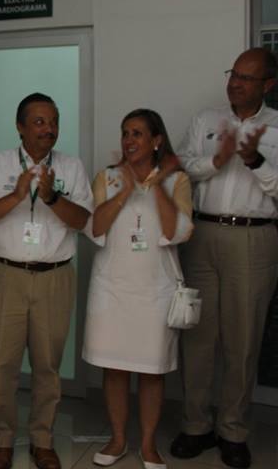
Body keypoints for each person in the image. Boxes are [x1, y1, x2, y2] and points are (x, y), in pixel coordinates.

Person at [0, 93, 93, 469]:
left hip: (54, 277)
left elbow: (83, 221)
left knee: (47, 366)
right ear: (20, 126)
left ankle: (42, 439)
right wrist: (17, 194)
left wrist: (52, 198)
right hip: (5, 275)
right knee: (1, 364)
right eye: (39, 122)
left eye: (54, 122)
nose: (49, 129)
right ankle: (1, 440)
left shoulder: (71, 167)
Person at [172, 48, 278, 469]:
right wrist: (215, 161)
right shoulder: (206, 119)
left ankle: (233, 430)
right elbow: (181, 166)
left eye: (246, 78)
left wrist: (255, 161)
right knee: (196, 336)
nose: (235, 83)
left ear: (268, 85)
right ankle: (195, 425)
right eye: (233, 74)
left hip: (254, 238)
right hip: (202, 233)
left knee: (243, 339)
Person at [83, 109, 194, 469]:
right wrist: (124, 191)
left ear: (156, 140)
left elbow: (178, 231)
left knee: (151, 369)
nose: (129, 140)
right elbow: (94, 228)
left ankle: (147, 444)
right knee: (114, 368)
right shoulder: (107, 177)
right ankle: (117, 440)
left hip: (155, 291)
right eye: (125, 133)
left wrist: (156, 185)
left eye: (137, 133)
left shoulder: (177, 180)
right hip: (112, 289)